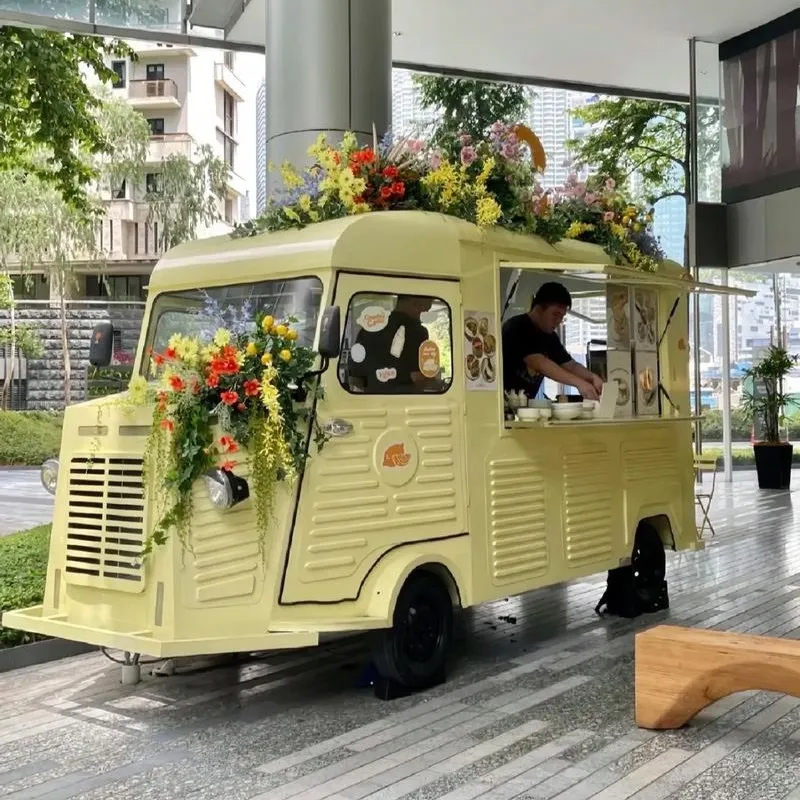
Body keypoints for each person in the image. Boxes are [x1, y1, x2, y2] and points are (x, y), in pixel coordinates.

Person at [502, 281, 604, 401]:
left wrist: (592, 377)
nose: (559, 321)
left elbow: (570, 365)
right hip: (502, 405)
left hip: (525, 406)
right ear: (539, 309)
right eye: (555, 314)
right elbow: (540, 363)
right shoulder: (517, 327)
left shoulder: (550, 337)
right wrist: (579, 383)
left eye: (562, 316)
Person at [347, 295, 439, 393]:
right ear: (416, 303)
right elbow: (418, 378)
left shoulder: (367, 330)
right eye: (425, 310)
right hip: (404, 403)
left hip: (373, 403)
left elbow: (355, 379)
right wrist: (437, 384)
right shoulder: (417, 332)